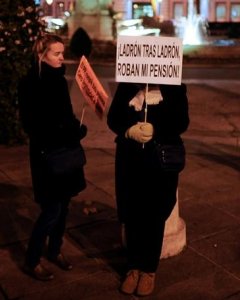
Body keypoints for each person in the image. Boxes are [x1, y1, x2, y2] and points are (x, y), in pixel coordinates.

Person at [107, 82, 189, 296]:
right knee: (132, 213)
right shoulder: (127, 85)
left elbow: (181, 121)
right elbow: (113, 118)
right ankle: (133, 268)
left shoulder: (174, 87)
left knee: (154, 215)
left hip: (160, 164)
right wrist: (128, 130)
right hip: (130, 162)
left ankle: (148, 270)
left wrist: (156, 129)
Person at [18, 34, 87, 281]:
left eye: (62, 53)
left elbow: (66, 115)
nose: (62, 58)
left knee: (64, 206)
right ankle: (32, 260)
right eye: (56, 53)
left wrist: (75, 129)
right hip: (47, 156)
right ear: (41, 55)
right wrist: (68, 130)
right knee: (51, 209)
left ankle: (55, 250)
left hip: (65, 153)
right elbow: (32, 125)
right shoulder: (29, 83)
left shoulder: (59, 80)